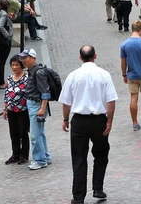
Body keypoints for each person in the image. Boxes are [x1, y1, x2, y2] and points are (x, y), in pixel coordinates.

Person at [59, 45, 118, 204]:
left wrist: (65, 119)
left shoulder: (73, 75)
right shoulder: (104, 74)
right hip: (98, 120)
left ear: (80, 57)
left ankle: (78, 197)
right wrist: (109, 120)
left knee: (78, 158)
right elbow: (111, 100)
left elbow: (66, 102)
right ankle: (98, 188)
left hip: (79, 121)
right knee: (101, 154)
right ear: (95, 56)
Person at [19, 48, 51, 170]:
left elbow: (45, 92)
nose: (23, 60)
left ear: (33, 58)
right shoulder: (33, 71)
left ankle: (40, 160)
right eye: (22, 58)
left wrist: (42, 109)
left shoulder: (38, 72)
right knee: (40, 133)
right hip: (34, 104)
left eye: (25, 58)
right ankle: (45, 157)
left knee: (35, 134)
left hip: (36, 105)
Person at [3, 55, 29, 165]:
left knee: (23, 132)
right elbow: (6, 94)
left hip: (23, 110)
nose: (14, 67)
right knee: (13, 133)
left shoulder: (27, 78)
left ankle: (24, 155)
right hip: (11, 110)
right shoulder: (9, 78)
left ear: (21, 66)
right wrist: (5, 108)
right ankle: (15, 154)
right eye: (12, 65)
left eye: (16, 65)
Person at [0, 0, 14, 88]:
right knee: (2, 61)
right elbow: (0, 26)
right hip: (3, 41)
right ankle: (1, 82)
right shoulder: (3, 14)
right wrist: (8, 36)